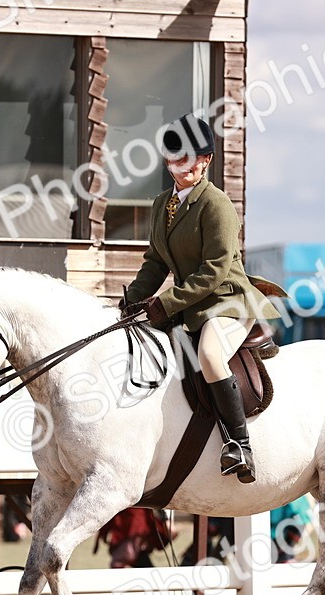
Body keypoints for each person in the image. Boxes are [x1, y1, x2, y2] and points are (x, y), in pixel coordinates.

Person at [123, 114, 281, 483]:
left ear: (205, 160)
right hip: (190, 305)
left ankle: (240, 444)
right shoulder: (162, 204)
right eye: (176, 159)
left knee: (209, 354)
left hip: (227, 300)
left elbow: (214, 270)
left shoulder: (217, 204)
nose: (183, 166)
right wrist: (133, 298)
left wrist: (166, 303)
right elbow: (156, 261)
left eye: (191, 159)